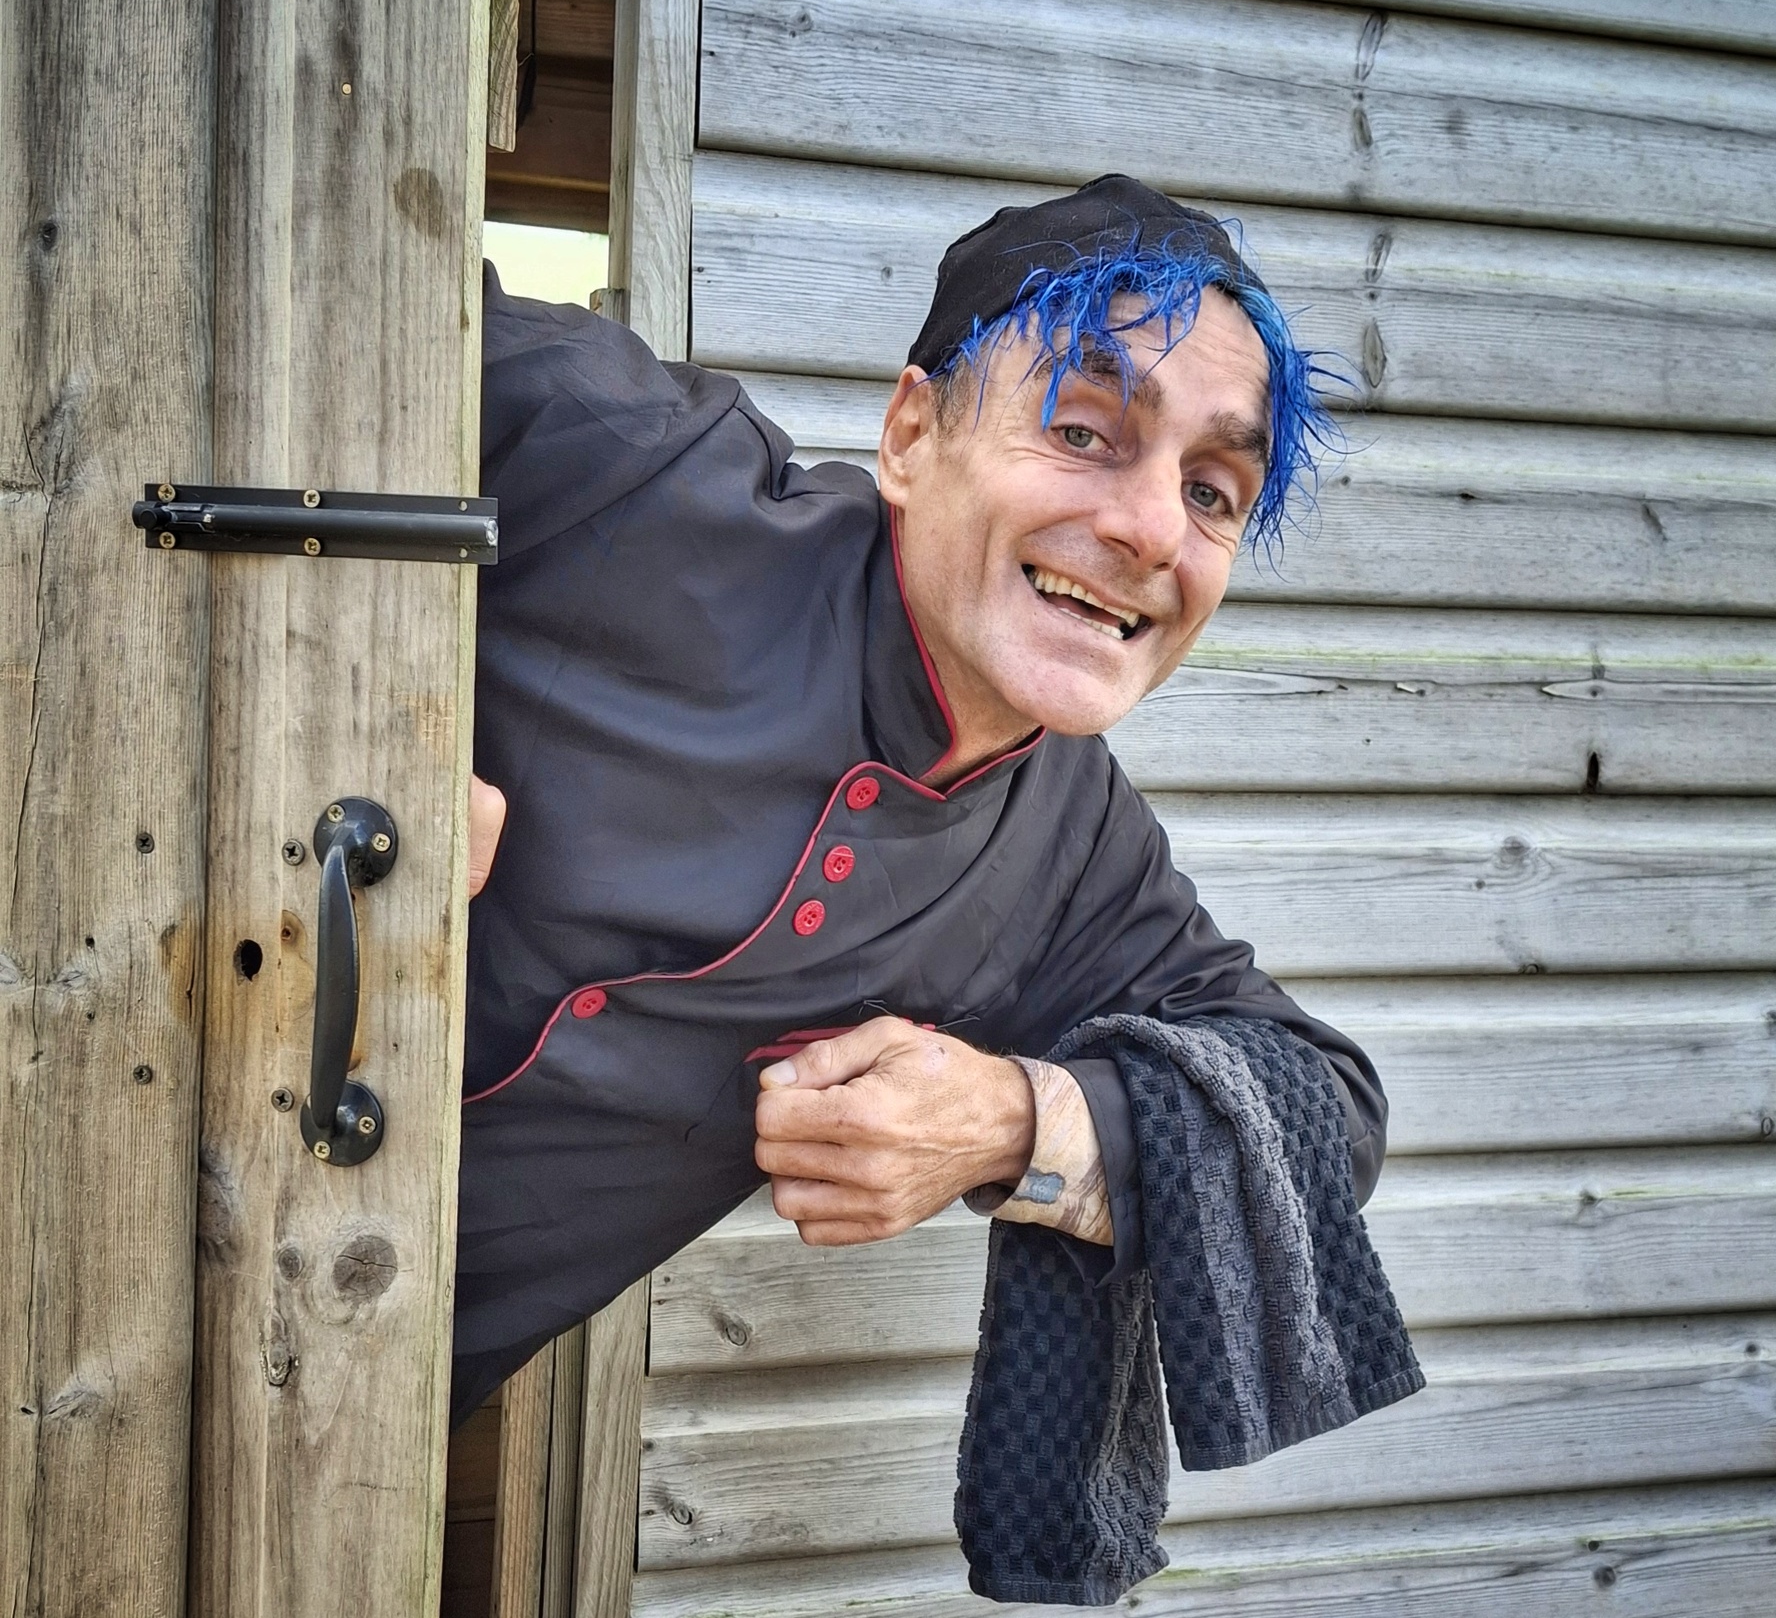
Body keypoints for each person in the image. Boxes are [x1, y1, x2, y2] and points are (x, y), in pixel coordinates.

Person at [453, 174, 1395, 1448]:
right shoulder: (632, 466)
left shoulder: (1073, 860)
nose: (1152, 531)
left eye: (1214, 492)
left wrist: (1008, 1118)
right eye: (1082, 430)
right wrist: (337, 727)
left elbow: (1323, 1119)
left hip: (331, 1396)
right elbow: (291, 295)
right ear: (910, 438)